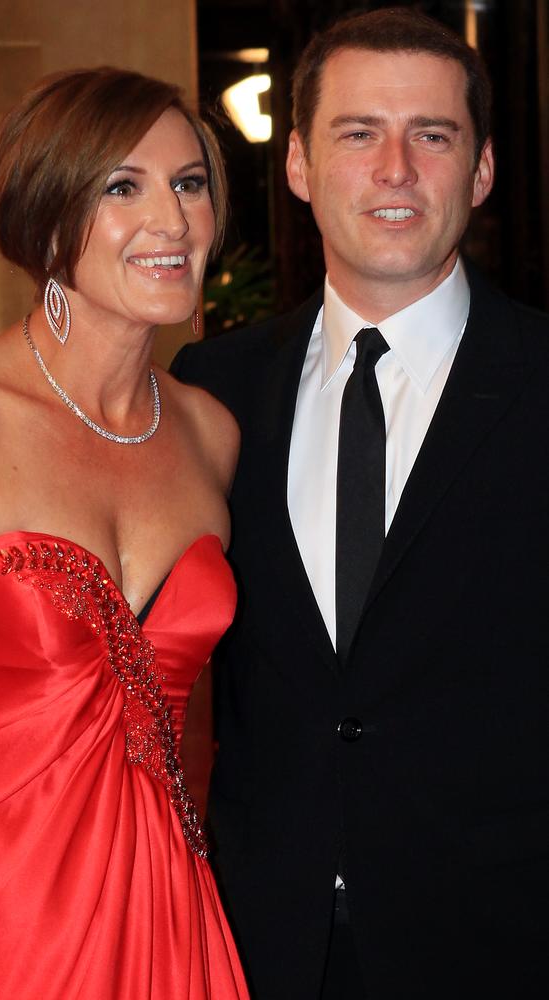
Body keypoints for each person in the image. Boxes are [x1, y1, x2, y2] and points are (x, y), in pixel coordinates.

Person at [172, 8, 549, 1000]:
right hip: (260, 937)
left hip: (502, 943)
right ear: (296, 163)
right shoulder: (209, 388)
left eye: (430, 135)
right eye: (356, 133)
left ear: (478, 170)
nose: (393, 169)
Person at [0, 66, 250, 1000]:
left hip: (169, 929)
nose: (173, 223)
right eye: (122, 187)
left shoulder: (211, 436)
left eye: (189, 183)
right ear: (45, 215)